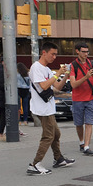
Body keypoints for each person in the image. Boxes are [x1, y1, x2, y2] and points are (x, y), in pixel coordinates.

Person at [26, 42, 74, 175]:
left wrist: (65, 76)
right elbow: (45, 86)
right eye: (52, 54)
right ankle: (35, 164)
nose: (54, 57)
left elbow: (56, 87)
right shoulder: (36, 68)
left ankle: (58, 159)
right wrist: (58, 73)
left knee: (56, 134)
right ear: (44, 53)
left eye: (56, 55)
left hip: (48, 107)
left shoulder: (46, 69)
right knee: (48, 136)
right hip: (41, 108)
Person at [69, 42, 93, 156]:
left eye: (87, 52)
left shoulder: (91, 63)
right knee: (79, 123)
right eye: (83, 51)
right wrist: (86, 77)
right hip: (78, 99)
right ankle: (81, 142)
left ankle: (86, 146)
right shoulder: (73, 66)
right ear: (77, 51)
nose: (86, 54)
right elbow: (73, 85)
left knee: (89, 123)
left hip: (90, 98)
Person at [17, 62, 31, 127]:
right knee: (25, 106)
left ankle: (19, 120)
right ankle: (25, 120)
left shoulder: (17, 74)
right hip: (26, 90)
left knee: (18, 106)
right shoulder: (27, 74)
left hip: (19, 89)